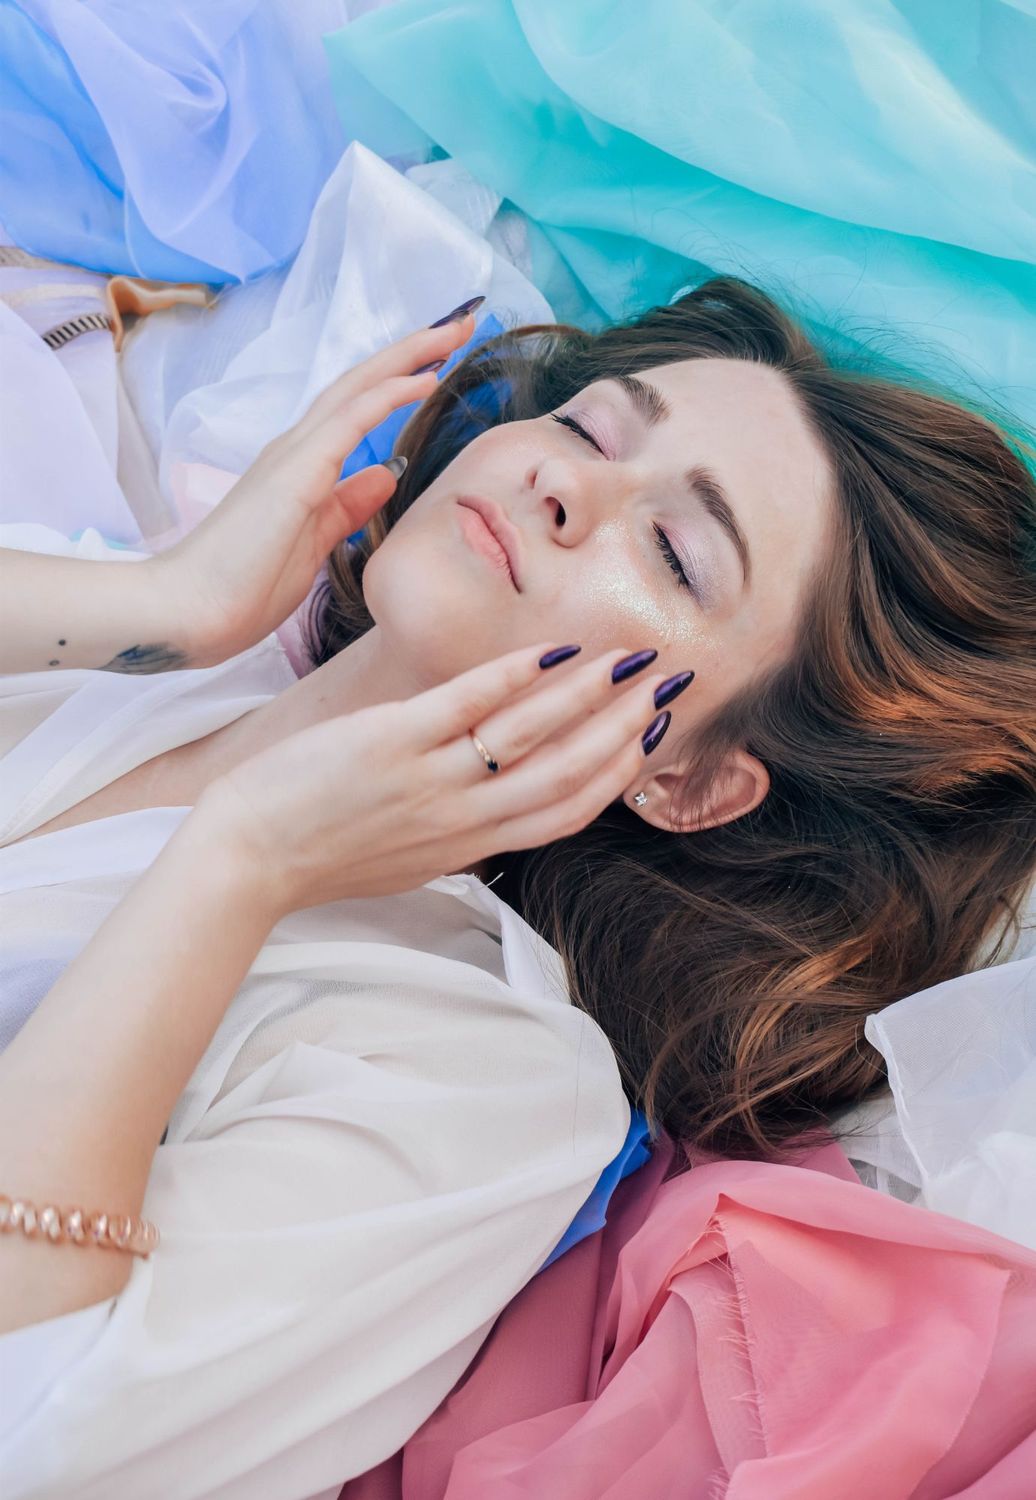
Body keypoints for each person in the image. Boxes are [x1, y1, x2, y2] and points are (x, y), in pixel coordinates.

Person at [0, 278, 1033, 1497]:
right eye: (592, 428)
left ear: (690, 780)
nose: (566, 483)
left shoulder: (483, 1066)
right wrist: (163, 608)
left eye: (674, 551)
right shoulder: (143, 664)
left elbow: (46, 1435)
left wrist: (240, 866)